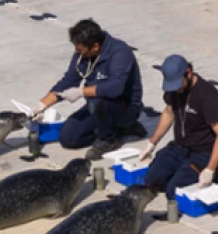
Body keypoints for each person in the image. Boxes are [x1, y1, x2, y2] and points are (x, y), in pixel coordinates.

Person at [30, 19, 146, 161]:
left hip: (123, 107)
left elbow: (115, 88)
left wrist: (81, 92)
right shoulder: (83, 54)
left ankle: (108, 138)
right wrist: (42, 105)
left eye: (80, 49)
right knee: (68, 138)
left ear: (95, 46)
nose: (76, 52)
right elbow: (68, 81)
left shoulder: (120, 53)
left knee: (99, 99)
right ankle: (117, 129)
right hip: (95, 107)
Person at [140, 54, 218, 200]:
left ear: (188, 73)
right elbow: (168, 113)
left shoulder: (206, 95)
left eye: (177, 84)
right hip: (180, 148)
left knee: (173, 193)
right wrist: (152, 143)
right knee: (150, 181)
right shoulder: (174, 90)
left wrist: (210, 169)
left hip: (202, 153)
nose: (175, 89)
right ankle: (185, 172)